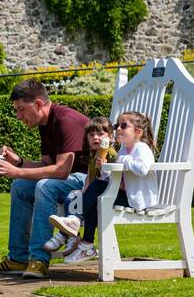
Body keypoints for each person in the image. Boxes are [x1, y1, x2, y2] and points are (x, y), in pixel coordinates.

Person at [0, 78, 90, 279]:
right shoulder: (45, 123)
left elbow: (61, 170)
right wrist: (19, 162)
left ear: (37, 104)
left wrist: (15, 171)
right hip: (70, 180)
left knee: (44, 186)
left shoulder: (65, 120)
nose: (18, 116)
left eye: (21, 109)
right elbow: (47, 166)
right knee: (20, 186)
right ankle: (18, 257)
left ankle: (39, 259)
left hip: (91, 182)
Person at [50, 111, 159, 264]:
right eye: (117, 125)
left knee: (97, 188)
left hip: (137, 200)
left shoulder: (141, 148)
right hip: (123, 194)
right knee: (94, 197)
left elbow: (143, 169)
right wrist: (112, 165)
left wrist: (122, 160)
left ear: (138, 132)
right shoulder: (124, 149)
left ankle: (73, 224)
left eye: (123, 126)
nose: (118, 129)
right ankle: (86, 242)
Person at [40, 115, 117, 259]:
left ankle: (65, 233)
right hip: (94, 192)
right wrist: (83, 190)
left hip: (109, 193)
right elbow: (90, 175)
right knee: (73, 195)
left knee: (81, 198)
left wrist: (106, 165)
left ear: (111, 137)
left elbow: (112, 177)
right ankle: (72, 234)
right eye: (91, 135)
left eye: (100, 134)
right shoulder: (93, 154)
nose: (96, 138)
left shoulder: (111, 154)